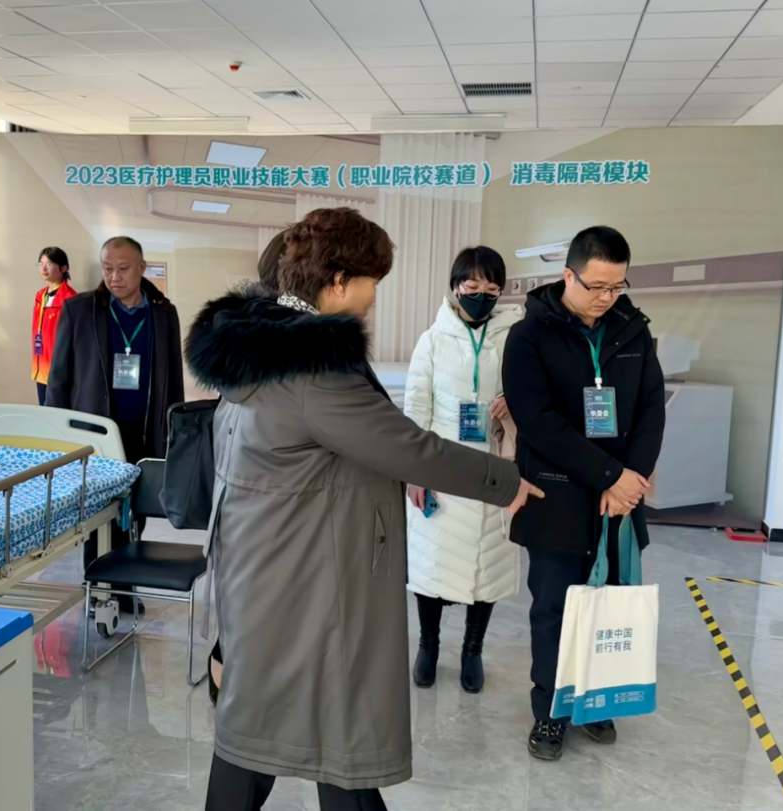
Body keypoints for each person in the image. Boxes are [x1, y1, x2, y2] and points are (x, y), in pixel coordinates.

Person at [186, 208, 543, 811]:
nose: (375, 297)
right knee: (287, 730)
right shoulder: (313, 369)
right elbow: (408, 447)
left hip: (273, 563)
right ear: (338, 281)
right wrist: (504, 480)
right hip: (305, 575)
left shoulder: (262, 348)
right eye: (372, 281)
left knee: (282, 728)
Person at [502, 225, 665, 761]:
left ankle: (596, 701)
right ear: (567, 275)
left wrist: (631, 480)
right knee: (556, 607)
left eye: (617, 286)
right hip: (558, 496)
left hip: (619, 500)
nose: (606, 297)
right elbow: (539, 421)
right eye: (596, 286)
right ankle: (550, 710)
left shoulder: (632, 331)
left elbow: (651, 409)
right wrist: (610, 476)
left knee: (608, 604)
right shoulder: (529, 335)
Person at [404, 246, 522, 695]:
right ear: (455, 287)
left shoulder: (514, 337)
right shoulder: (432, 340)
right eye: (472, 286)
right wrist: (415, 472)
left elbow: (534, 395)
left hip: (493, 467)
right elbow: (416, 410)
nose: (481, 296)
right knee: (432, 562)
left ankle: (473, 650)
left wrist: (512, 402)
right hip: (442, 468)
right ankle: (428, 645)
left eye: (491, 289)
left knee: (487, 563)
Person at [46, 236, 185, 597]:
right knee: (99, 517)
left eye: (123, 268)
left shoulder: (163, 314)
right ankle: (98, 590)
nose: (114, 276)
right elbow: (59, 379)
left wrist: (175, 434)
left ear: (142, 268)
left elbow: (173, 379)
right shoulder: (79, 310)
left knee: (135, 514)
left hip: (145, 433)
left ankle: (123, 589)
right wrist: (55, 438)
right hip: (97, 436)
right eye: (108, 268)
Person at [207, 229, 289, 706]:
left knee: (243, 605)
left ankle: (229, 685)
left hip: (241, 491)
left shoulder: (238, 325)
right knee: (257, 609)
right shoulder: (282, 338)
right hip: (265, 492)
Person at [31, 247, 77, 406]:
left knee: (57, 413)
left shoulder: (70, 299)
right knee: (43, 410)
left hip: (59, 370)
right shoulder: (40, 296)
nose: (43, 269)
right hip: (40, 366)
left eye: (49, 264)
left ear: (63, 268)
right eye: (41, 264)